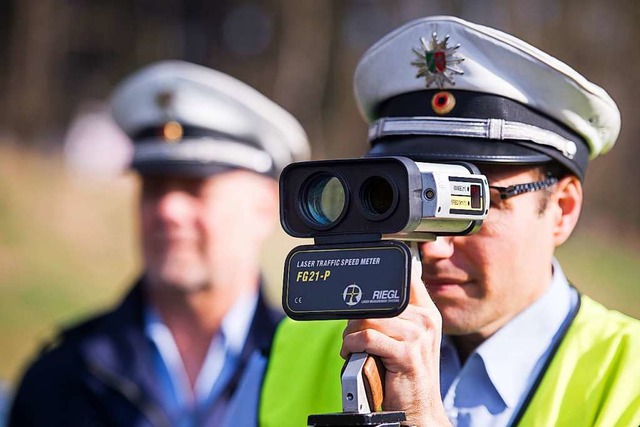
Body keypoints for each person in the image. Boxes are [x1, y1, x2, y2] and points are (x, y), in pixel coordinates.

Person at [256, 16, 640, 427]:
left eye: (471, 203)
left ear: (562, 209)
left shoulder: (627, 378)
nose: (435, 246)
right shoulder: (295, 346)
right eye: (402, 201)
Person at [8, 60, 310, 426]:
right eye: (152, 188)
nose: (167, 210)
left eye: (195, 187)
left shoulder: (316, 368)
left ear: (266, 205)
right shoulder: (61, 378)